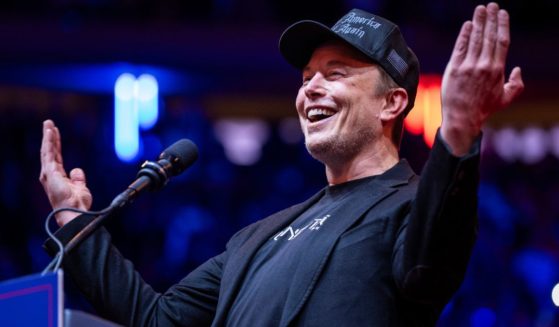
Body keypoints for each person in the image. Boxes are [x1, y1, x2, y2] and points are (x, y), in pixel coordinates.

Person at [40, 3, 523, 326]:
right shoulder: (257, 238)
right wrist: (72, 220)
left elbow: (427, 268)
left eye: (335, 75)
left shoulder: (415, 207)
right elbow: (156, 318)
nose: (310, 87)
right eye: (307, 76)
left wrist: (458, 128)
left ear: (392, 103)